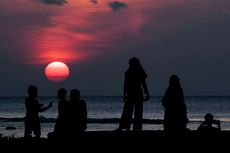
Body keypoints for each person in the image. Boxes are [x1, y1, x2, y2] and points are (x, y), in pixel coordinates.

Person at [117, 57, 149, 131]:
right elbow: (126, 84)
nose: (129, 64)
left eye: (130, 63)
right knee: (129, 111)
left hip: (135, 93)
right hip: (132, 93)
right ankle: (126, 127)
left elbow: (143, 83)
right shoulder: (129, 72)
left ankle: (134, 127)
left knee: (134, 111)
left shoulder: (134, 72)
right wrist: (124, 94)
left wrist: (146, 93)